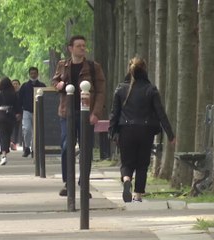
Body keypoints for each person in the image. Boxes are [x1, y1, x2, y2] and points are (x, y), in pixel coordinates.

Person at [109, 57, 175, 203]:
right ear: (145, 69)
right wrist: (170, 135)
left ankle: (127, 180)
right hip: (146, 130)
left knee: (126, 162)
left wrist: (111, 131)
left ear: (129, 69)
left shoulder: (121, 89)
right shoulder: (150, 89)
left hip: (126, 129)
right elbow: (160, 113)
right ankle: (138, 195)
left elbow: (114, 113)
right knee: (142, 164)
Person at [52, 35, 106, 197]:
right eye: (78, 46)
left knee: (86, 149)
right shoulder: (63, 65)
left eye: (84, 46)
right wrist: (58, 84)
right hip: (66, 113)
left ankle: (84, 184)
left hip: (86, 114)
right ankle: (68, 182)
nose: (82, 48)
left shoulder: (92, 66)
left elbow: (101, 91)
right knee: (66, 147)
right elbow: (54, 81)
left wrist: (95, 113)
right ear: (70, 48)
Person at [0, 77, 22, 165]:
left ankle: (4, 154)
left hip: (0, 116)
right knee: (8, 134)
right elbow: (17, 105)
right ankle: (5, 151)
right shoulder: (13, 94)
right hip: (10, 116)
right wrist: (18, 113)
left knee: (2, 135)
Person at [18, 67, 46, 157]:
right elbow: (19, 99)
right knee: (27, 129)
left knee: (36, 131)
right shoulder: (25, 86)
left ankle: (35, 149)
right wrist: (19, 111)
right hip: (27, 111)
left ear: (37, 74)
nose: (33, 75)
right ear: (29, 74)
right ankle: (27, 147)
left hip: (38, 111)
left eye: (35, 73)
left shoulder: (42, 86)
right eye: (31, 73)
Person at [11, 79, 22, 150]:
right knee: (13, 129)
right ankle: (13, 143)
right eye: (13, 84)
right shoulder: (9, 93)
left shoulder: (21, 93)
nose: (15, 85)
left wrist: (20, 113)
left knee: (19, 129)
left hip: (20, 113)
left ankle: (18, 143)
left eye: (16, 84)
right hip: (11, 113)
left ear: (19, 85)